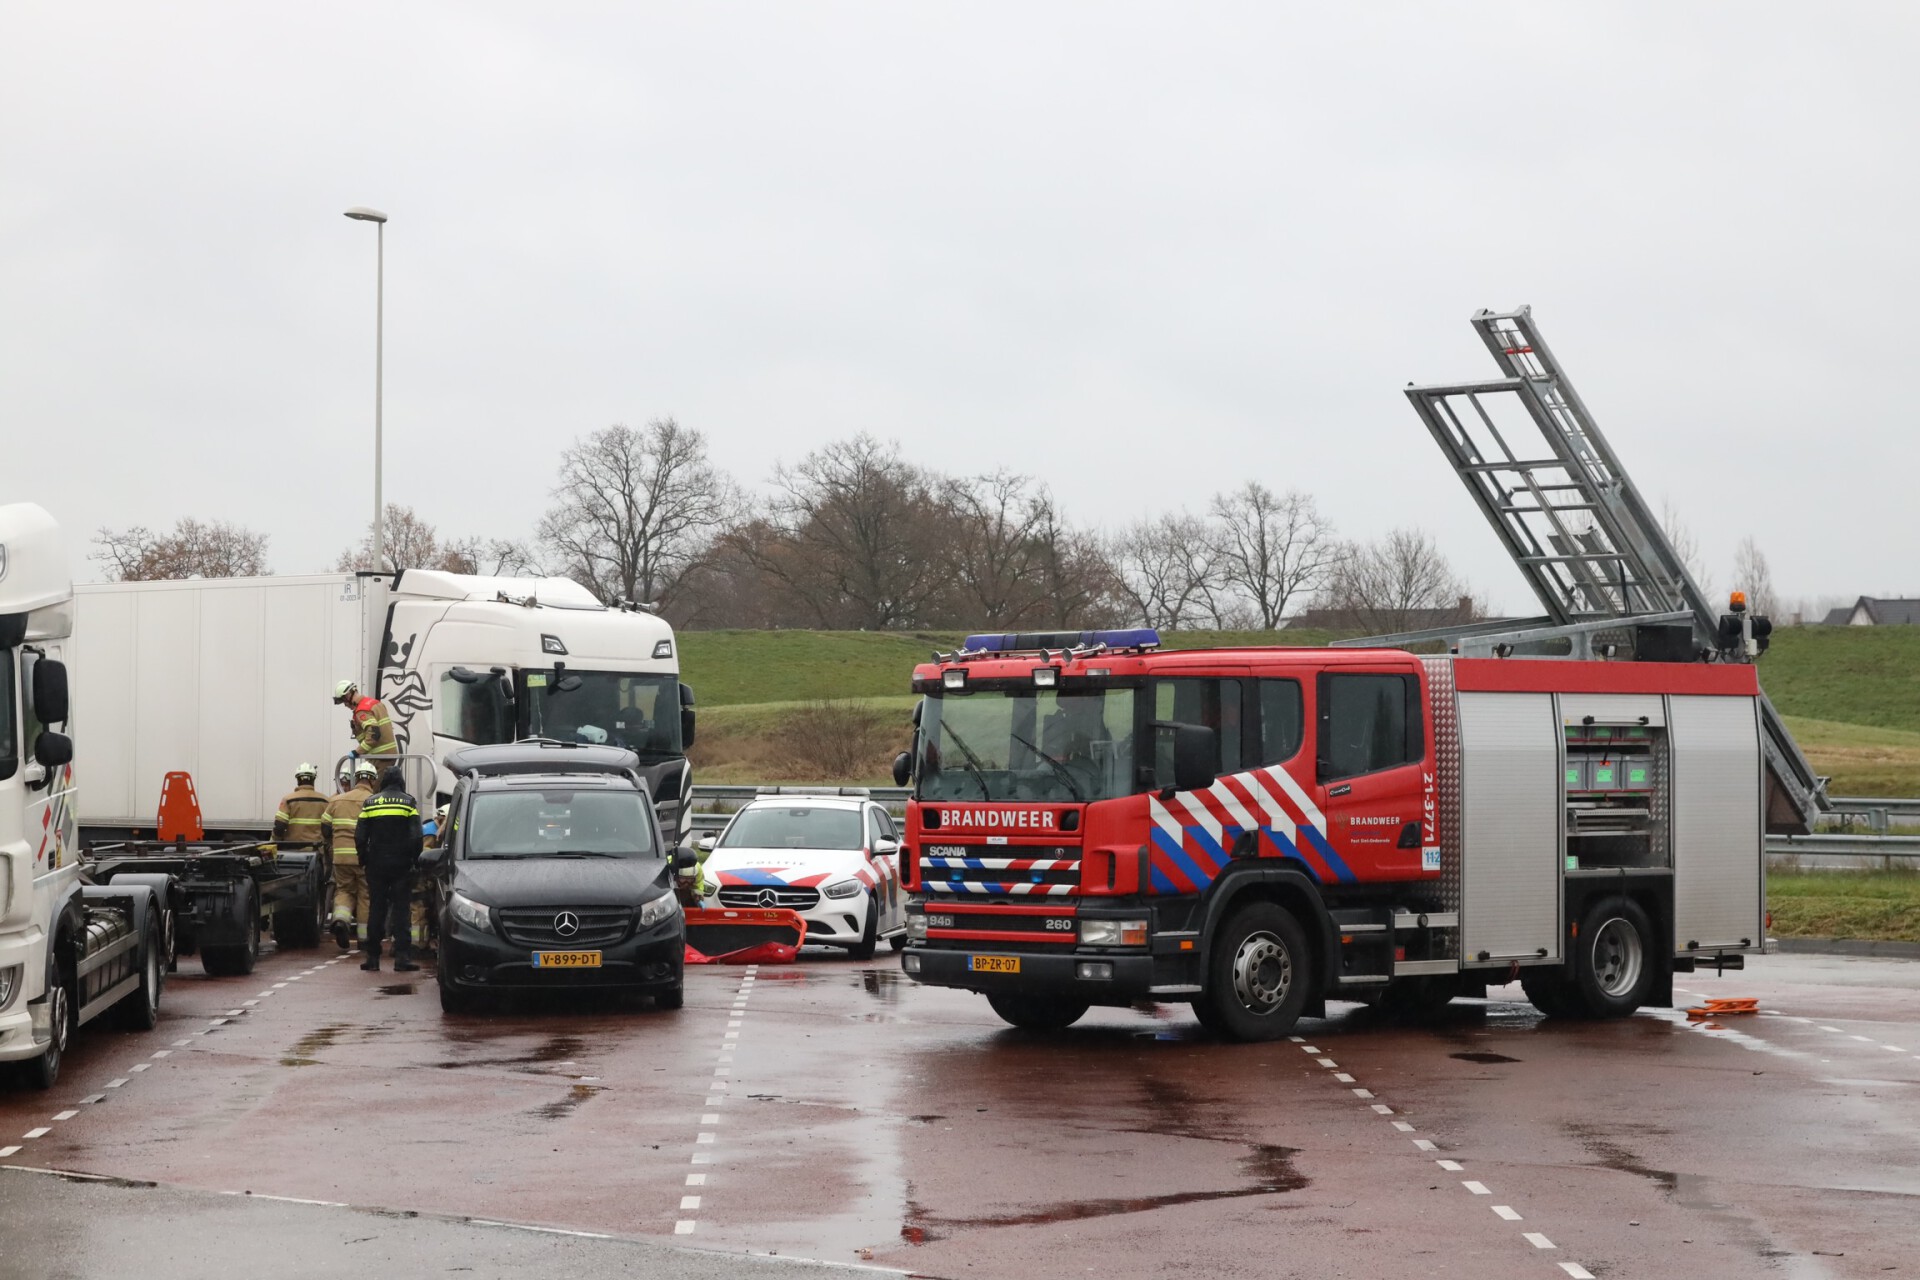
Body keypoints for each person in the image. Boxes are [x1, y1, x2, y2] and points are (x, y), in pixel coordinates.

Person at [355, 766, 423, 973]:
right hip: (401, 865)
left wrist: (364, 859)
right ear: (401, 781)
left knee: (376, 909)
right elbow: (416, 837)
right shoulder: (409, 802)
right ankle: (402, 958)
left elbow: (359, 836)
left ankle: (373, 958)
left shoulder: (370, 803)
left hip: (376, 865)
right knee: (402, 910)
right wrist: (414, 860)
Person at [322, 761, 378, 952]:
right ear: (373, 781)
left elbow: (325, 827)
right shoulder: (373, 801)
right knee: (365, 895)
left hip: (340, 858)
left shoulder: (337, 801)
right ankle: (363, 939)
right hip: (363, 858)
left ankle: (341, 920)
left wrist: (332, 846)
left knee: (344, 891)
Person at [333, 679, 397, 760]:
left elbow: (373, 734)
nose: (345, 705)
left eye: (343, 701)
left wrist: (357, 752)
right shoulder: (375, 703)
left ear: (348, 695)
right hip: (388, 755)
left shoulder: (362, 710)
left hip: (378, 757)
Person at [273, 764, 329, 850]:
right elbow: (329, 829)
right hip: (317, 850)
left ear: (298, 780)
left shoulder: (288, 800)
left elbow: (279, 827)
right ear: (314, 779)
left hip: (293, 850)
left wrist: (274, 842)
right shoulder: (325, 801)